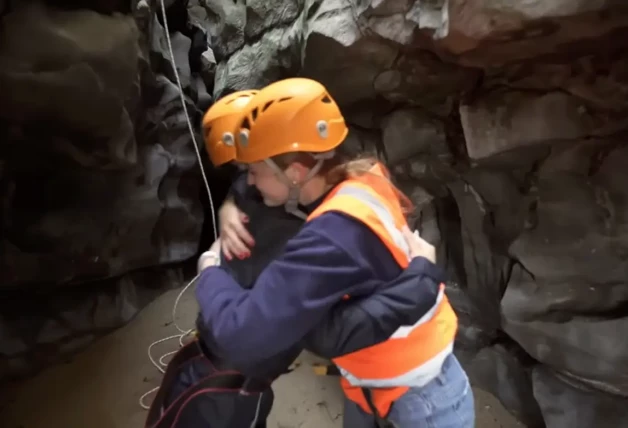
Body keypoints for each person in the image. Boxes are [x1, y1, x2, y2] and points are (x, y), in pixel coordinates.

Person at [146, 89, 460, 428]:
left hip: (418, 391)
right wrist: (421, 279)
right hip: (373, 380)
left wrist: (209, 268)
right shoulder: (363, 177)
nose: (248, 181)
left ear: (295, 171)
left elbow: (248, 333)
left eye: (253, 170)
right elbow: (331, 327)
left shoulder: (330, 235)